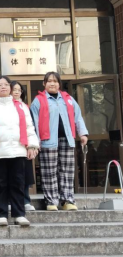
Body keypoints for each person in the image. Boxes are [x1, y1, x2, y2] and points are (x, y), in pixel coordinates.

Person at [0, 75, 39, 227]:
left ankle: (19, 214)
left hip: (18, 151)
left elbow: (29, 127)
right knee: (0, 184)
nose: (3, 87)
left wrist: (32, 145)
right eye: (0, 85)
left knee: (18, 183)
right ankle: (1, 214)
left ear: (10, 88)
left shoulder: (21, 106)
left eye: (6, 84)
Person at [30, 72, 89, 211]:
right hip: (47, 141)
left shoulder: (68, 99)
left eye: (55, 81)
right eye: (49, 81)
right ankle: (51, 201)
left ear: (59, 84)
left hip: (67, 139)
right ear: (44, 84)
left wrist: (82, 133)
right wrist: (35, 142)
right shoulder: (38, 100)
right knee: (49, 171)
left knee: (67, 171)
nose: (52, 83)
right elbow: (34, 122)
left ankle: (67, 200)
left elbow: (78, 117)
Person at [11, 81, 36, 212]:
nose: (16, 92)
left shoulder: (25, 107)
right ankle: (11, 201)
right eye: (14, 89)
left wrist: (32, 145)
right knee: (11, 176)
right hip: (9, 146)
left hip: (24, 145)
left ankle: (26, 200)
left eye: (19, 90)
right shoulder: (3, 107)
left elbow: (30, 127)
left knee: (24, 175)